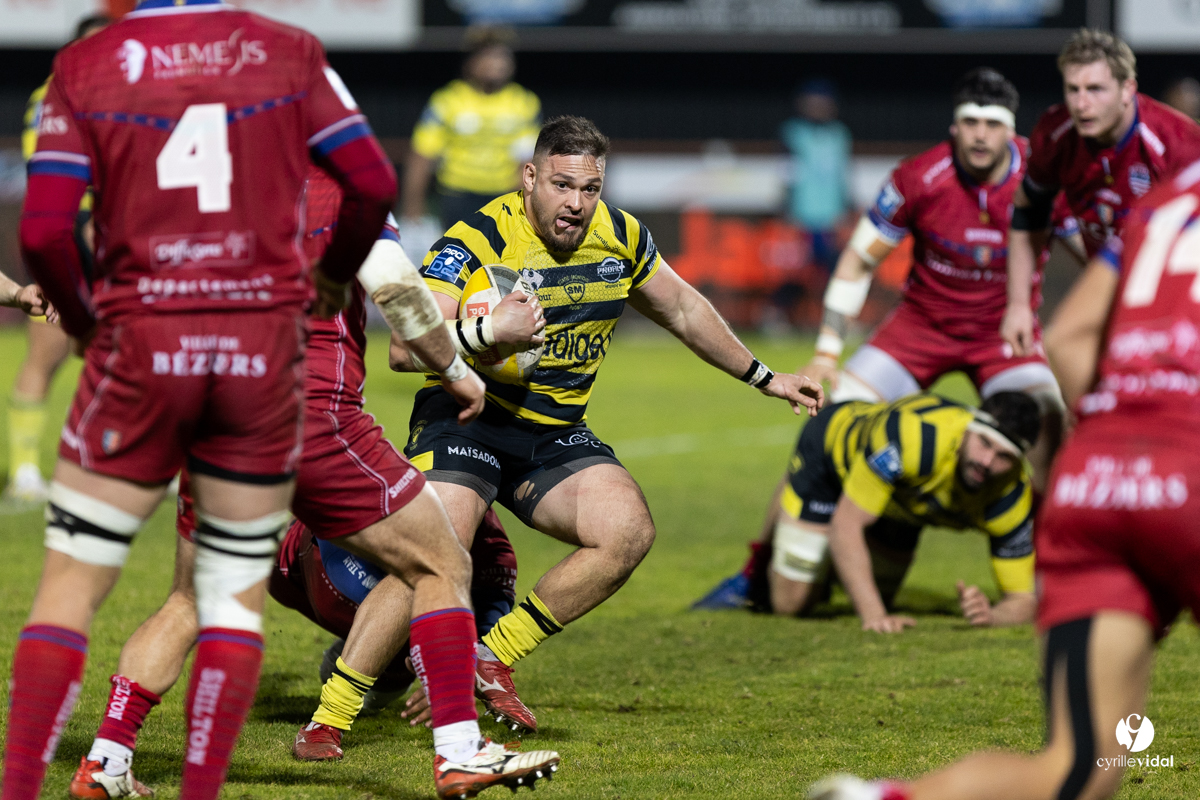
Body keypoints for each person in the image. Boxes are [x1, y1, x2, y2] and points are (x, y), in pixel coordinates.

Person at [4, 0, 414, 796]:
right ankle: (430, 738)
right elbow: (373, 193)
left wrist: (86, 319)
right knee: (426, 562)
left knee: (97, 588)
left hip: (152, 358)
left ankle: (92, 762)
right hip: (272, 386)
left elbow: (50, 228)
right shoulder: (281, 68)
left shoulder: (85, 76)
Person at [61, 167, 559, 800]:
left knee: (189, 601)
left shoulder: (196, 192)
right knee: (440, 563)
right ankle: (460, 753)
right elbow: (397, 290)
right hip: (310, 414)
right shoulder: (340, 184)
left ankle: (105, 762)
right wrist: (461, 361)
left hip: (215, 417)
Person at [392, 114, 823, 725]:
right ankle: (351, 681)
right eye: (562, 186)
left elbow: (680, 307)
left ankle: (493, 656)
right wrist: (489, 330)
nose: (576, 204)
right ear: (530, 178)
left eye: (589, 189)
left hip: (552, 433)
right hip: (467, 418)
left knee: (627, 532)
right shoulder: (477, 237)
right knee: (438, 551)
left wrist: (765, 376)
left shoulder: (620, 236)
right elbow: (406, 348)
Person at [806, 158, 1200, 800]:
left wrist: (1125, 436)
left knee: (1080, 769)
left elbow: (1069, 337)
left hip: (1097, 481)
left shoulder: (1159, 204)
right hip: (1188, 477)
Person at [801, 68, 1074, 493]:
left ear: (1011, 130)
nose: (980, 135)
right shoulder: (918, 178)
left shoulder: (1044, 181)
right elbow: (856, 263)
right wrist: (825, 354)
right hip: (922, 327)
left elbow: (1101, 260)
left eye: (993, 124)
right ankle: (765, 560)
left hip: (1003, 336)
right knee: (831, 422)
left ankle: (1046, 556)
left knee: (1049, 426)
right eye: (971, 122)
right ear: (954, 126)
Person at [694, 391, 1039, 632]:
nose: (986, 462)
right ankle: (756, 568)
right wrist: (874, 617)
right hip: (831, 460)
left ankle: (817, 562)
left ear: (1019, 463)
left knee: (876, 589)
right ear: (969, 428)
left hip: (901, 506)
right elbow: (846, 524)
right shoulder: (913, 436)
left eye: (1004, 457)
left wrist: (991, 616)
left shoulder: (1011, 497)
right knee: (791, 604)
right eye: (984, 444)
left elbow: (1024, 599)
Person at [1002, 28, 1200, 365]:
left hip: (1175, 296)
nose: (1081, 104)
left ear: (1128, 90)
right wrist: (1019, 305)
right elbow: (1028, 212)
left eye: (1095, 89)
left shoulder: (1179, 144)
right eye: (1073, 89)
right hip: (1111, 283)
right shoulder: (1055, 134)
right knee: (1063, 350)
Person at [4, 13, 110, 506]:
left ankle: (153, 467)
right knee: (44, 355)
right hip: (67, 235)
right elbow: (46, 171)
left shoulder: (124, 92)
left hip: (116, 239)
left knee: (139, 359)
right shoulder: (52, 97)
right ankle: (25, 472)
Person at [401, 27, 540, 232]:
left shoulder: (525, 103)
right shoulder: (447, 100)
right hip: (457, 196)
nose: (496, 62)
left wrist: (520, 206)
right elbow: (422, 156)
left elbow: (526, 161)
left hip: (503, 197)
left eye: (502, 56)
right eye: (487, 55)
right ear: (471, 62)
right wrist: (412, 209)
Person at [781, 78, 852, 275]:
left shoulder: (840, 134)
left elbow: (843, 174)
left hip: (832, 216)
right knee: (799, 272)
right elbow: (787, 173)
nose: (818, 108)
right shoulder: (793, 133)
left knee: (833, 269)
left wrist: (846, 208)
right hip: (803, 215)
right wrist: (786, 208)